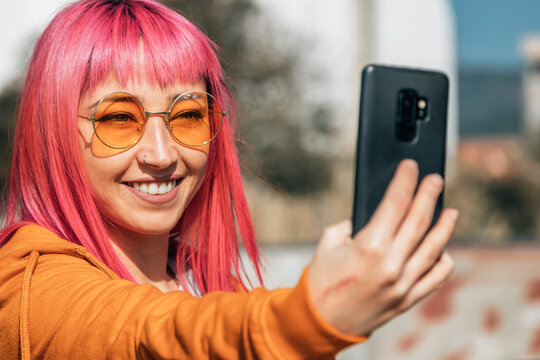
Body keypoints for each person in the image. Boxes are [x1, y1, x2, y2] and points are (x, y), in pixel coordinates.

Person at [0, 0, 458, 358]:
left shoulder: (212, 285)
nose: (162, 155)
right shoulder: (27, 283)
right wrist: (311, 318)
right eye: (119, 118)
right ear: (53, 130)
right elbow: (148, 332)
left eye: (189, 116)